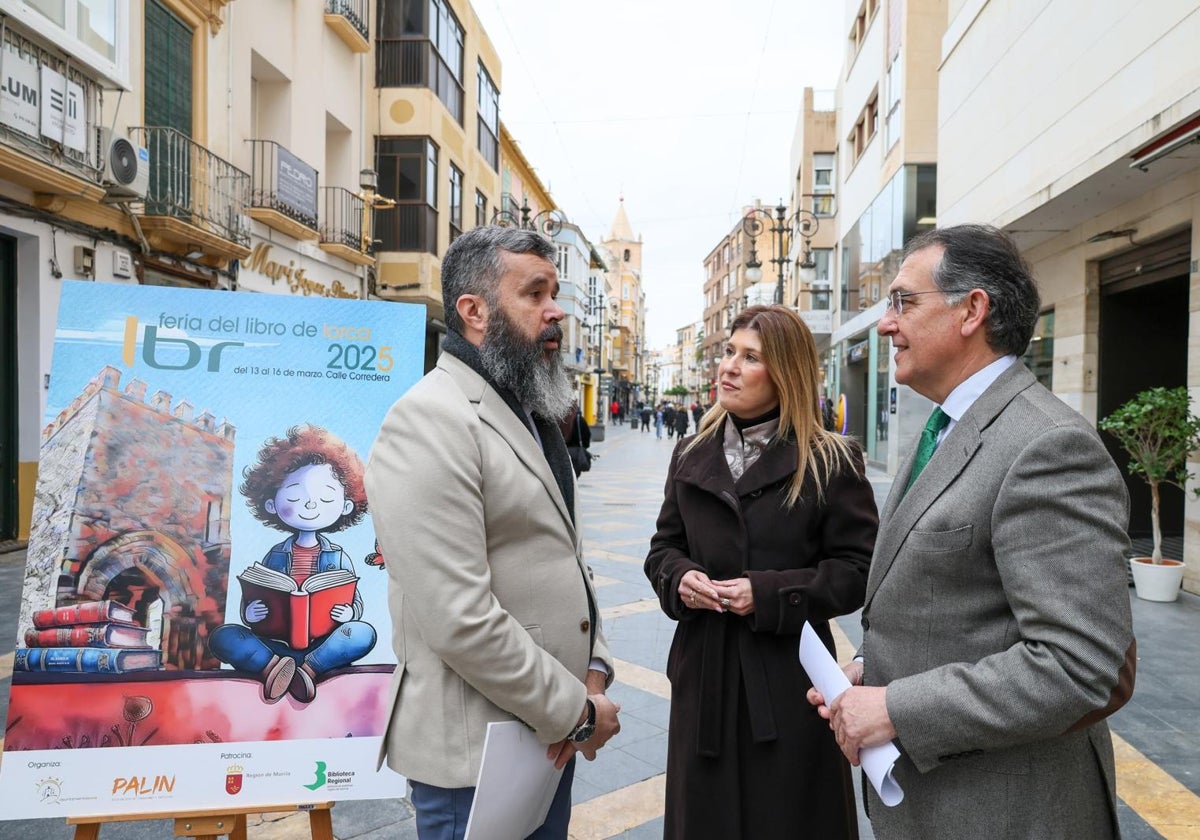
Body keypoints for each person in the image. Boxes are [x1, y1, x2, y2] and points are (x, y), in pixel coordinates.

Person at [808, 224, 1136, 839]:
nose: (886, 324)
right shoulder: (948, 425)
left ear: (972, 311)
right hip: (942, 802)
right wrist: (870, 671)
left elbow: (1082, 664)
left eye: (904, 302)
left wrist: (894, 709)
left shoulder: (1046, 446)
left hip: (1005, 811)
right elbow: (957, 607)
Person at [365, 226, 620, 840]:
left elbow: (566, 560)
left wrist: (596, 671)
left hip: (544, 735)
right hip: (475, 758)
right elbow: (461, 618)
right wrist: (577, 713)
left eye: (554, 292)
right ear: (474, 312)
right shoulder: (430, 421)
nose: (555, 310)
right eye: (534, 294)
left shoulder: (529, 413)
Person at [645, 305, 878, 840]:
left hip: (789, 681)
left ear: (785, 374)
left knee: (789, 818)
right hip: (704, 677)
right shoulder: (691, 453)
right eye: (729, 351)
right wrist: (679, 578)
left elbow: (859, 569)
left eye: (750, 357)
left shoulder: (829, 460)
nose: (729, 365)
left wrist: (770, 593)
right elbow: (663, 547)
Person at [209, 424, 376, 704]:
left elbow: (354, 600)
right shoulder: (275, 555)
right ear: (271, 503)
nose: (310, 505)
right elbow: (258, 593)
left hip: (323, 645)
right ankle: (274, 668)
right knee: (224, 637)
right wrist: (251, 613)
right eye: (296, 496)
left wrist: (348, 612)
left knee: (362, 633)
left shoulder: (337, 556)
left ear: (346, 505)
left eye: (325, 497)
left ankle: (307, 670)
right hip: (275, 646)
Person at [561, 400, 593, 478]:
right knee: (574, 477)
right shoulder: (580, 420)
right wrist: (583, 446)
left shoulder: (561, 420)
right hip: (577, 454)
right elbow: (587, 436)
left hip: (563, 454)